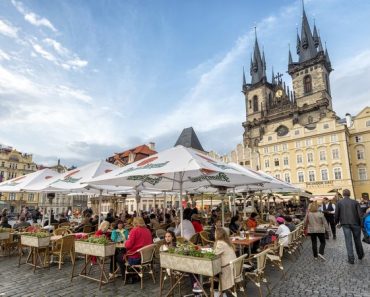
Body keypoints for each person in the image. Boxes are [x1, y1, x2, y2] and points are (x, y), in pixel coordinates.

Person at [335, 189, 364, 264]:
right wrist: (362, 224)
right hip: (356, 223)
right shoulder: (355, 202)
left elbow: (336, 214)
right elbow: (360, 214)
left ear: (343, 194)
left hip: (345, 224)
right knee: (357, 240)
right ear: (349, 194)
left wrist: (336, 222)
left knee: (348, 241)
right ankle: (360, 255)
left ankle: (351, 259)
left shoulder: (339, 203)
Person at [121, 217, 153, 283]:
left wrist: (125, 242)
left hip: (136, 257)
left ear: (134, 223)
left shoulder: (134, 230)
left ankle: (127, 277)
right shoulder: (147, 230)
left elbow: (128, 245)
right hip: (147, 257)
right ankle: (135, 273)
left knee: (119, 257)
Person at [213, 227, 237, 297]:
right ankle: (220, 292)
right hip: (233, 266)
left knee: (213, 272)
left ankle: (217, 293)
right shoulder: (227, 241)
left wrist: (215, 243)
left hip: (226, 267)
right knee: (215, 269)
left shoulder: (220, 243)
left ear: (217, 234)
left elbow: (214, 254)